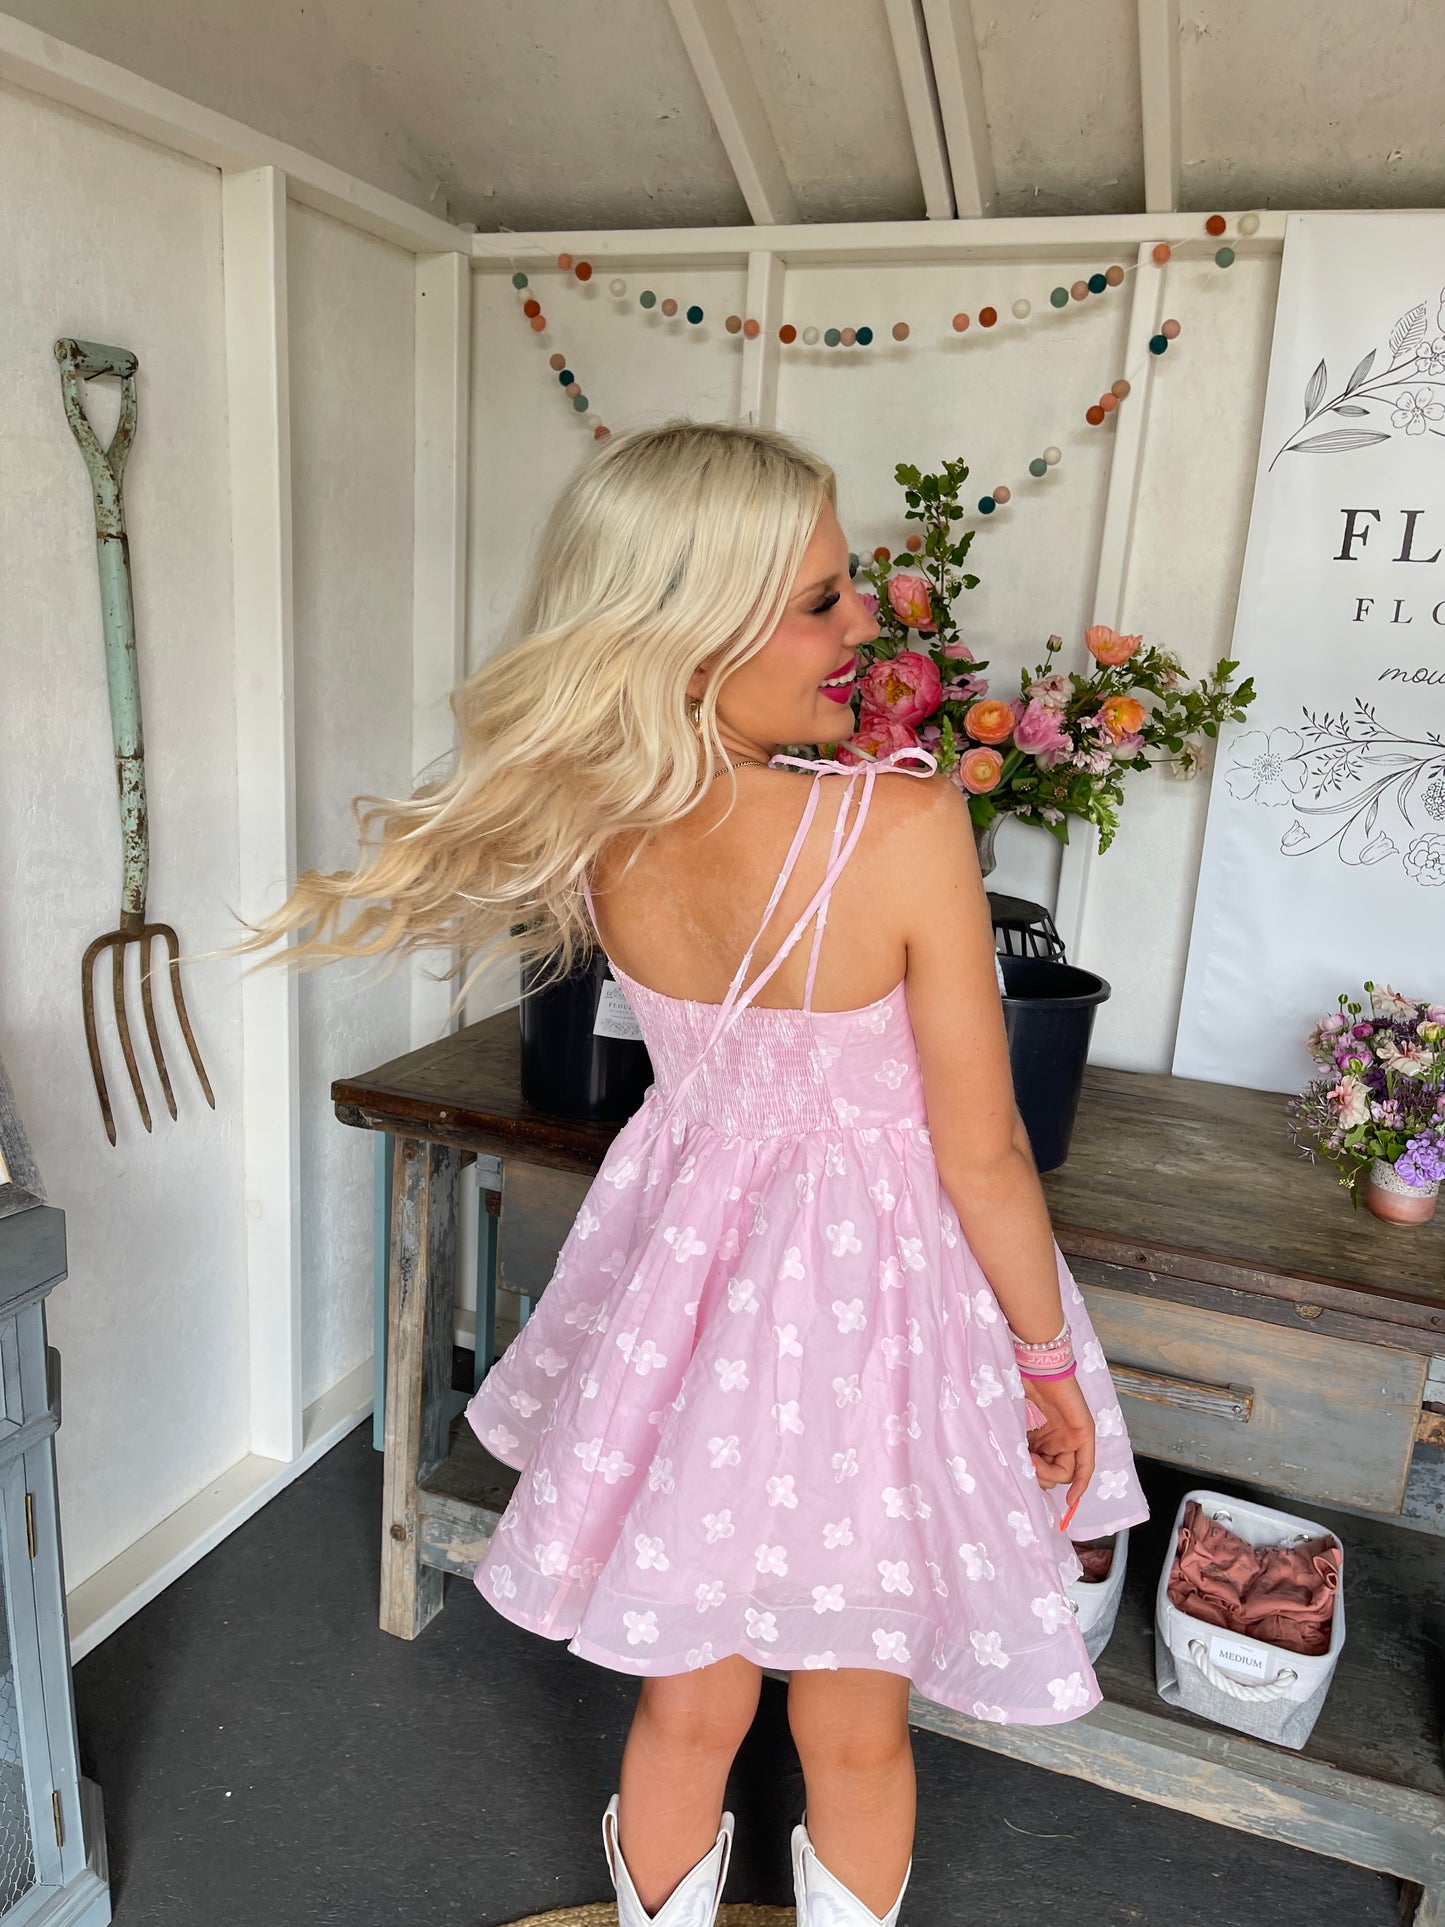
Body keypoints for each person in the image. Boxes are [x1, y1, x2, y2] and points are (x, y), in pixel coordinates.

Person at [236, 419, 1147, 1927]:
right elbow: (979, 1148)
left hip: (691, 1287)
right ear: (689, 632)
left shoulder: (603, 818)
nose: (864, 626)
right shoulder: (904, 820)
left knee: (684, 1709)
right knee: (852, 1732)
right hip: (876, 1306)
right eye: (819, 600)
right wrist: (1046, 1363)